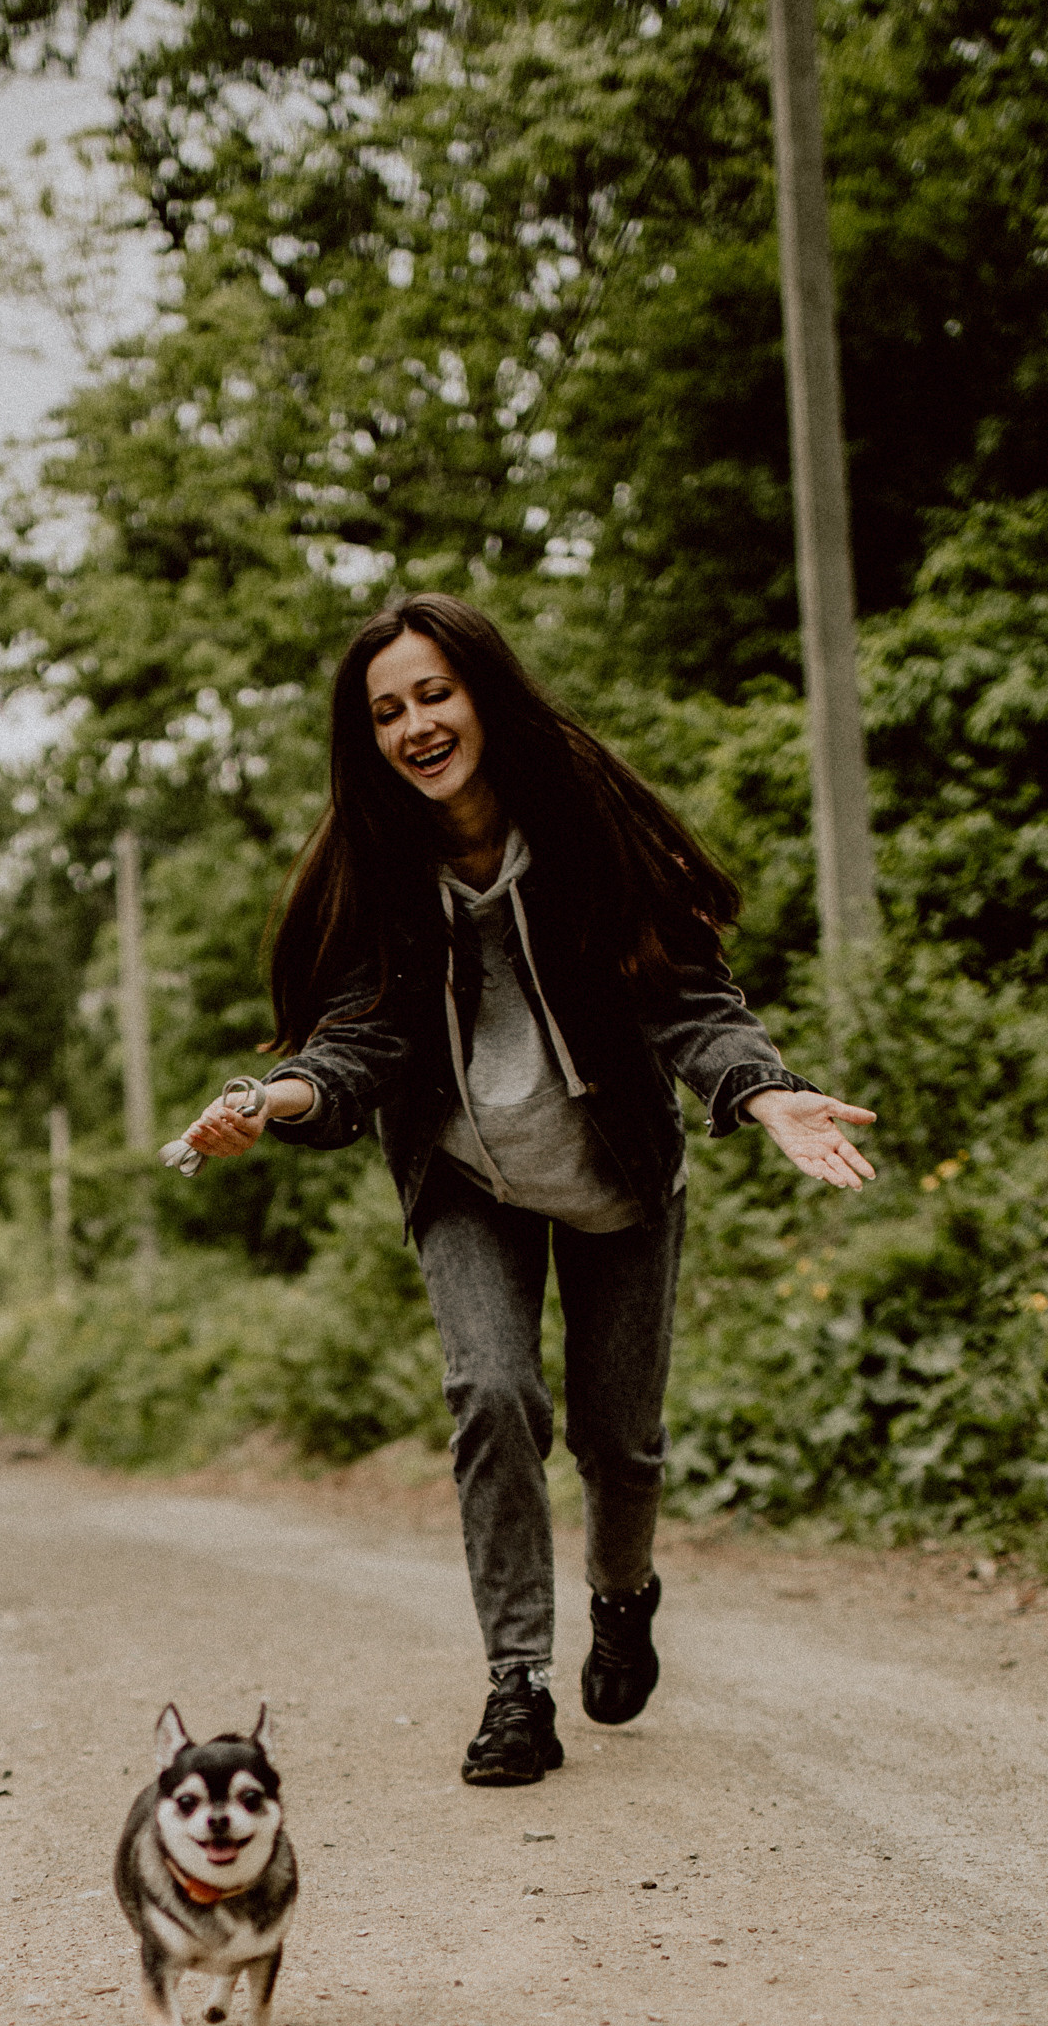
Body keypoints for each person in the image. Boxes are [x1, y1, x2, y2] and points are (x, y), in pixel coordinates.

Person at [180, 592, 876, 1787]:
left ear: (483, 694)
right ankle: (519, 1683)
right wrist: (273, 1099)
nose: (416, 726)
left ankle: (622, 1594)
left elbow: (688, 1000)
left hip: (612, 1172)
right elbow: (359, 1043)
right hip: (466, 1179)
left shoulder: (591, 832)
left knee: (619, 1442)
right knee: (491, 1392)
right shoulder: (377, 872)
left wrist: (765, 1094)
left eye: (434, 694)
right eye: (387, 711)